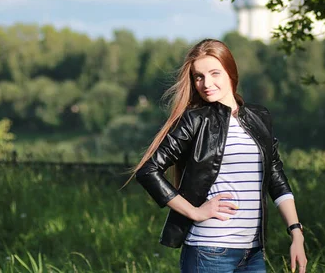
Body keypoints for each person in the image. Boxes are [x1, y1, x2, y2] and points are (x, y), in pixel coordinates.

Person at [131, 39, 307, 273]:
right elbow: (148, 170)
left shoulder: (259, 117)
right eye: (199, 76)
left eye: (215, 73)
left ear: (231, 73)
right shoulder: (195, 120)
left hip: (252, 253)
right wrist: (195, 212)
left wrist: (296, 232)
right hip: (209, 251)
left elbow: (275, 175)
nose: (206, 83)